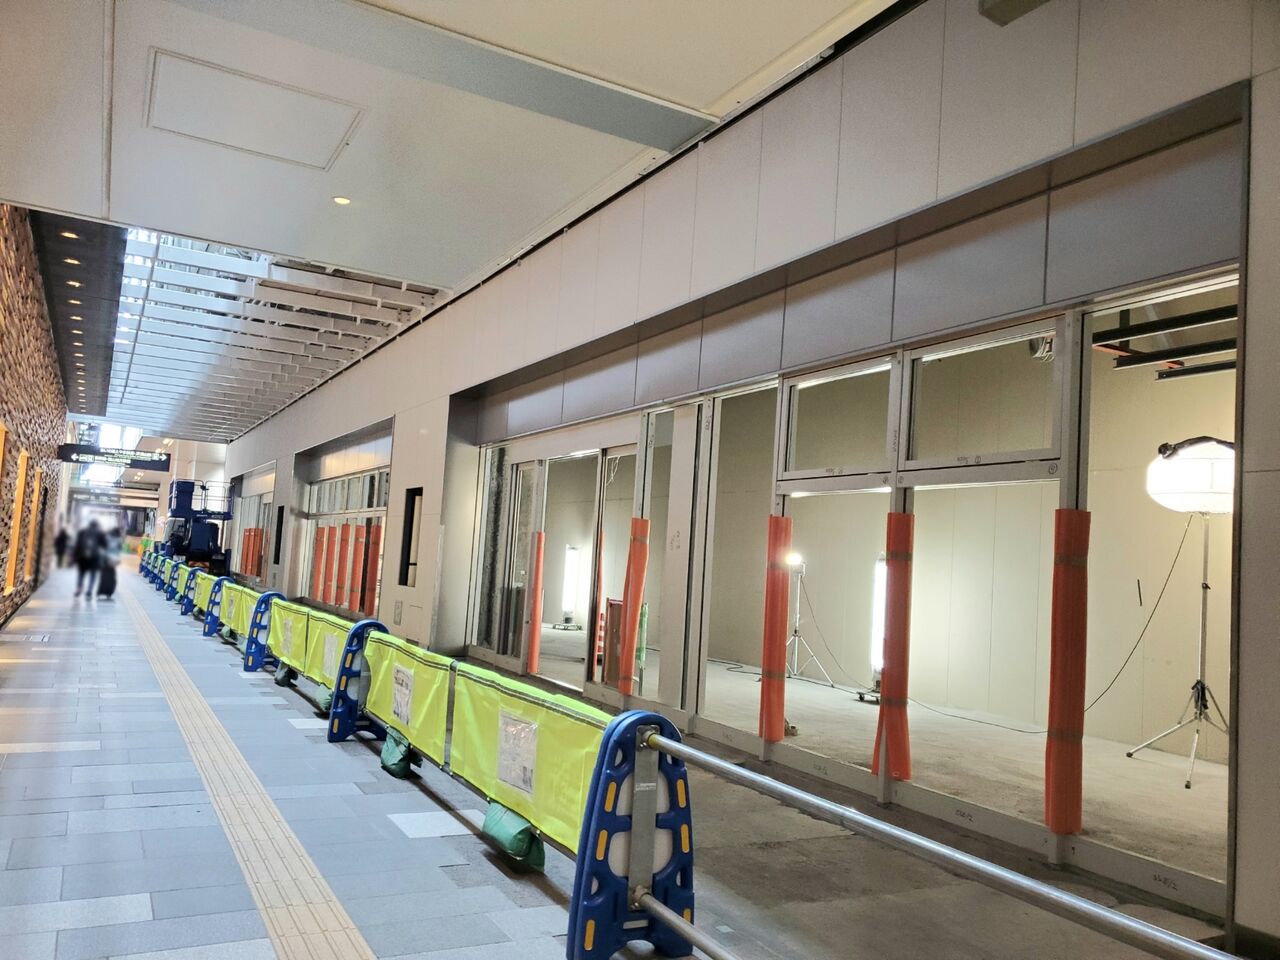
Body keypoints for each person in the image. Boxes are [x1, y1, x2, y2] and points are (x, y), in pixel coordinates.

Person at [72, 520, 106, 598]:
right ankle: (89, 591)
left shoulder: (82, 532)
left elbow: (77, 545)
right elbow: (104, 545)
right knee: (93, 574)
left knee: (81, 573)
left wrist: (75, 557)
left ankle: (79, 588)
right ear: (97, 525)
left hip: (82, 557)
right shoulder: (100, 533)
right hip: (94, 558)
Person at [97, 527, 123, 600]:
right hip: (113, 561)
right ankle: (109, 593)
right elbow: (119, 550)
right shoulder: (119, 540)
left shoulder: (107, 538)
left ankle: (100, 592)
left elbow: (102, 548)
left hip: (105, 560)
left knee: (103, 576)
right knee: (111, 577)